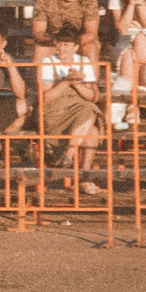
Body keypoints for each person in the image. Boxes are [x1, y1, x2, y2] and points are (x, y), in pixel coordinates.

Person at [38, 36, 107, 192]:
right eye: (59, 43)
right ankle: (75, 165)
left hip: (80, 112)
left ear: (75, 47)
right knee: (90, 111)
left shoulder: (83, 62)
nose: (62, 48)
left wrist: (76, 84)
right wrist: (66, 82)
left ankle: (79, 170)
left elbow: (93, 97)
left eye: (66, 44)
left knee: (93, 129)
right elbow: (45, 99)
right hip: (56, 112)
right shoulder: (48, 62)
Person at [31, 0, 102, 57]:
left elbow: (91, 33)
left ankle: (93, 72)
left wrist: (70, 45)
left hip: (79, 41)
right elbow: (38, 32)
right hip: (55, 42)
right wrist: (58, 43)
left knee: (90, 49)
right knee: (40, 50)